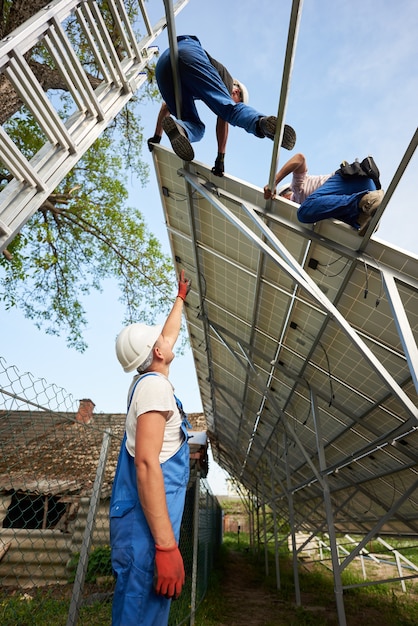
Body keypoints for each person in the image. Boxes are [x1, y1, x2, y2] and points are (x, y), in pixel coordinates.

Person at [110, 270, 192, 626]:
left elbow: (168, 334)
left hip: (142, 531)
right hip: (148, 539)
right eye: (161, 340)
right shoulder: (155, 389)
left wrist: (180, 298)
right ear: (158, 352)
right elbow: (145, 464)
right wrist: (166, 546)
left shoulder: (145, 383)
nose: (168, 340)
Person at [147, 35, 296, 176]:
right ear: (236, 92)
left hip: (163, 65)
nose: (235, 103)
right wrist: (220, 157)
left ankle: (182, 129)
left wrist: (156, 137)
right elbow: (224, 116)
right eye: (238, 102)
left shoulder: (202, 80)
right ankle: (260, 123)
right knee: (230, 111)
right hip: (189, 53)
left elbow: (165, 107)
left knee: (194, 126)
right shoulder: (227, 80)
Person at [264, 152, 384, 236]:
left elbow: (299, 158)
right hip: (366, 189)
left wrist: (274, 182)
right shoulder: (319, 211)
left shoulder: (296, 190)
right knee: (343, 224)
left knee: (303, 212)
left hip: (352, 181)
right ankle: (366, 215)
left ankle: (366, 202)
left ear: (285, 194)